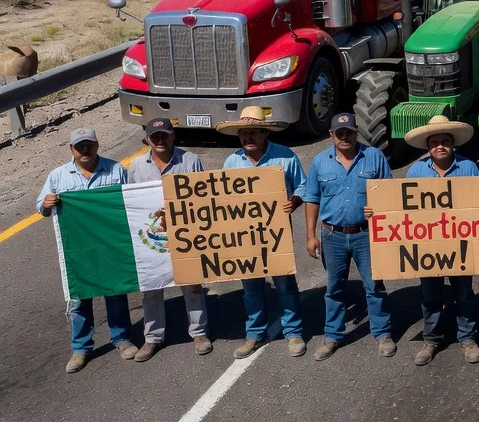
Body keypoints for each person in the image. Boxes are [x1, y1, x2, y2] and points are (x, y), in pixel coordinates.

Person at [38, 126, 135, 374]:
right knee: (79, 297)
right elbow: (42, 206)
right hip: (78, 250)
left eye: (89, 145)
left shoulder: (116, 170)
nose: (85, 150)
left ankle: (122, 339)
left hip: (110, 245)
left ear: (97, 145)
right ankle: (81, 348)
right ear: (71, 149)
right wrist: (47, 204)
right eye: (79, 146)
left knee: (115, 291)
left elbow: (131, 201)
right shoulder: (59, 176)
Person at [217, 107, 307, 359]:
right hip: (245, 238)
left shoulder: (286, 157)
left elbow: (303, 184)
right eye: (243, 134)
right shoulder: (232, 162)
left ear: (265, 132)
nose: (247, 138)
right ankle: (255, 334)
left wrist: (296, 200)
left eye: (253, 133)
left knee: (285, 285)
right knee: (251, 288)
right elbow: (220, 199)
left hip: (276, 235)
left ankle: (294, 332)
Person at [302, 112, 394, 361]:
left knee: (374, 285)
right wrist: (310, 236)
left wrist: (379, 207)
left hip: (367, 234)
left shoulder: (374, 157)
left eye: (349, 133)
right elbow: (312, 199)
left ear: (356, 132)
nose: (345, 137)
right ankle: (333, 335)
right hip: (332, 236)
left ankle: (382, 333)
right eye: (339, 133)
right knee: (334, 288)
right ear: (331, 135)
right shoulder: (320, 162)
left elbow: (391, 193)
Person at [126, 120, 209, 361]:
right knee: (151, 287)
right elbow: (131, 203)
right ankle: (152, 338)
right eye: (155, 136)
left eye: (165, 135)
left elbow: (203, 196)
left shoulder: (191, 161)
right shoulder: (136, 167)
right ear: (147, 139)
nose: (160, 140)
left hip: (186, 232)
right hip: (151, 235)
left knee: (191, 283)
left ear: (173, 136)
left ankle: (200, 332)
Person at [403, 115, 479, 366]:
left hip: (461, 244)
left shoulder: (469, 168)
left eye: (445, 141)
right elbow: (401, 209)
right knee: (431, 295)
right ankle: (432, 339)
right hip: (428, 246)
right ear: (428, 146)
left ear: (453, 143)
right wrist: (379, 212)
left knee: (464, 293)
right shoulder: (415, 171)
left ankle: (467, 338)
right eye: (435, 141)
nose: (440, 146)